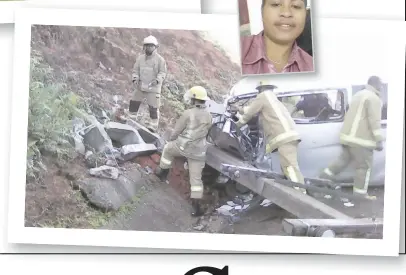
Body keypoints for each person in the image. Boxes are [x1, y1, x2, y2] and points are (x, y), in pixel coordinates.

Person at [232, 82, 306, 194]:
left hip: (284, 137)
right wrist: (238, 108)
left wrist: (235, 126)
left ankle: (301, 194)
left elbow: (249, 114)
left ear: (261, 89)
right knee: (286, 167)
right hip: (289, 136)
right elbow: (252, 109)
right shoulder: (273, 99)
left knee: (290, 168)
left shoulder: (263, 96)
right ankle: (295, 191)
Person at [319, 76, 385, 199]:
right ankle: (360, 196)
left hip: (347, 137)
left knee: (341, 161)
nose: (381, 87)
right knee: (363, 167)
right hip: (361, 140)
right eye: (380, 84)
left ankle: (321, 180)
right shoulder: (373, 98)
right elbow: (374, 121)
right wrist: (379, 140)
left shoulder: (358, 95)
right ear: (377, 84)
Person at [155, 86, 213, 216]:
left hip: (183, 147)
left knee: (167, 149)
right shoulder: (209, 116)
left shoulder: (188, 113)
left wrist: (171, 139)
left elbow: (176, 131)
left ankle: (162, 174)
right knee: (196, 181)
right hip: (199, 153)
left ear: (194, 99)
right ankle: (197, 208)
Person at [240, 0, 313, 75]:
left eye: (296, 6)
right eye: (276, 4)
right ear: (262, 12)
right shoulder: (235, 51)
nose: (286, 13)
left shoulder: (312, 67)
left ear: (305, 14)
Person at [130, 35, 167, 132]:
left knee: (153, 108)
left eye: (151, 46)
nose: (149, 48)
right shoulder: (140, 58)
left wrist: (158, 80)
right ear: (144, 47)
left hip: (153, 88)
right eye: (147, 46)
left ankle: (152, 127)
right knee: (133, 102)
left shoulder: (160, 60)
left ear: (155, 47)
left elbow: (162, 72)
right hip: (140, 86)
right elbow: (135, 70)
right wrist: (135, 78)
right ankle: (130, 121)